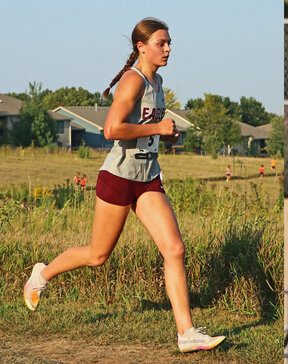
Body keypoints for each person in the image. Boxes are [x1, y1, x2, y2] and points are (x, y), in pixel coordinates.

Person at [23, 18, 224, 353]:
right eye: (162, 43)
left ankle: (186, 333)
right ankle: (41, 275)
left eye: (170, 42)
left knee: (174, 249)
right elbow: (111, 130)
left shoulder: (158, 81)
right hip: (118, 178)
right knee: (97, 255)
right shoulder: (132, 82)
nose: (169, 49)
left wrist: (165, 133)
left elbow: (146, 126)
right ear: (140, 47)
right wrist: (158, 128)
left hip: (147, 179)